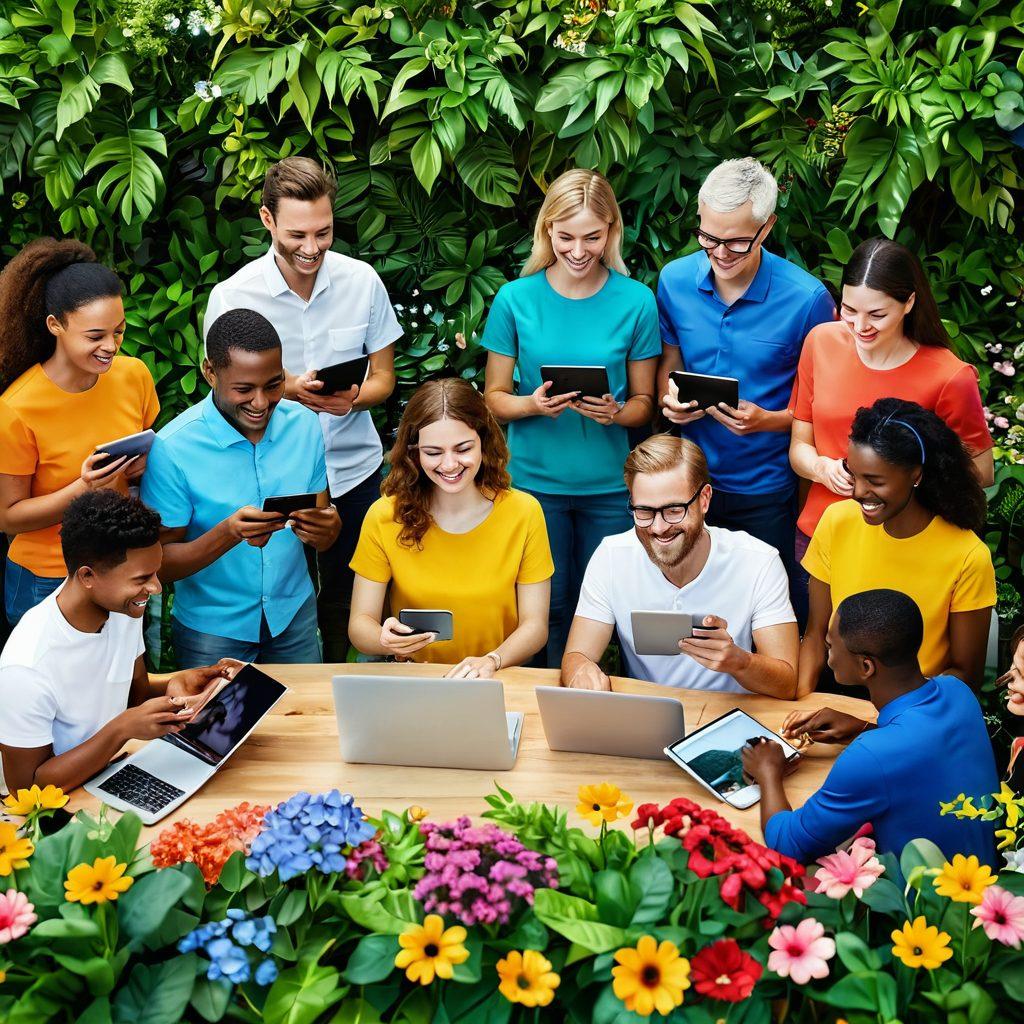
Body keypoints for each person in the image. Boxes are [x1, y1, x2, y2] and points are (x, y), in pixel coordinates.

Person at [203, 157, 401, 662]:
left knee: (354, 598)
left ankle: (345, 700)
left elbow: (385, 378)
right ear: (267, 220)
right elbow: (225, 389)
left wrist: (352, 398)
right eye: (297, 234)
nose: (311, 248)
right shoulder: (232, 295)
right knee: (276, 596)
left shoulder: (362, 281)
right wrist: (287, 388)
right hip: (273, 473)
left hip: (354, 470)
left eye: (324, 232)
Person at [482, 168, 661, 667]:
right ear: (547, 233)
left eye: (592, 237)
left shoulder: (636, 300)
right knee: (548, 607)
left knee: (612, 606)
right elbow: (494, 397)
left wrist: (617, 411)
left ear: (612, 233)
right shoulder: (516, 299)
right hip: (534, 485)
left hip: (609, 486)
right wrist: (532, 404)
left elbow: (645, 404)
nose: (578, 250)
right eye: (565, 237)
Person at [656, 158, 835, 615]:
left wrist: (768, 421)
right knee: (686, 608)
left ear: (768, 226)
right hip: (689, 483)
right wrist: (669, 399)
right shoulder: (674, 281)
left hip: (765, 488)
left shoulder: (808, 298)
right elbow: (670, 362)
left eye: (736, 242)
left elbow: (828, 407)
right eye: (709, 238)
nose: (720, 253)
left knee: (764, 611)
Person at [0, 491, 237, 794]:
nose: (155, 588)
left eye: (156, 572)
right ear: (88, 576)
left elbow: (134, 693)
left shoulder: (123, 609)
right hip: (64, 807)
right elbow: (26, 789)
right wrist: (121, 729)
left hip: (116, 773)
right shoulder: (26, 666)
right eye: (141, 579)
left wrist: (178, 682)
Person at [141, 308, 340, 667]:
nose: (261, 403)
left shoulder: (306, 426)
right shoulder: (172, 449)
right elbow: (157, 564)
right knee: (219, 725)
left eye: (274, 384)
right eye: (244, 389)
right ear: (209, 372)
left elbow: (321, 523)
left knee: (305, 721)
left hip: (293, 615)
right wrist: (228, 533)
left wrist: (329, 529)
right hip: (212, 632)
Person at [742, 589, 998, 864]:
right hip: (984, 870)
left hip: (925, 902)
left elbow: (789, 846)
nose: (828, 656)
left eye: (830, 647)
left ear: (866, 666)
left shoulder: (871, 756)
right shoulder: (958, 691)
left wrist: (768, 772)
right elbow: (925, 754)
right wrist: (863, 728)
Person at [789, 237, 993, 555]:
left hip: (907, 544)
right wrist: (823, 469)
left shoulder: (950, 376)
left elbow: (981, 470)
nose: (860, 326)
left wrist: (900, 482)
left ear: (908, 303)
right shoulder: (820, 342)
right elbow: (800, 445)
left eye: (877, 314)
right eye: (849, 310)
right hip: (823, 536)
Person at [562, 434, 799, 696]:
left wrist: (740, 662)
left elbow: (787, 682)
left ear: (704, 499)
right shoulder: (611, 556)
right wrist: (581, 671)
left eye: (674, 510)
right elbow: (577, 655)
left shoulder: (758, 561)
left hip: (728, 715)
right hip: (647, 716)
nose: (659, 527)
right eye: (644, 511)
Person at [0, 238, 160, 626]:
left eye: (118, 331)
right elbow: (8, 517)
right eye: (95, 336)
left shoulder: (133, 375)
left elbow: (146, 447)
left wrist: (139, 465)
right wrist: (83, 488)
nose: (111, 346)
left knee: (121, 683)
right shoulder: (17, 408)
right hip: (47, 578)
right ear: (55, 325)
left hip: (120, 568)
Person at [349, 378, 553, 677]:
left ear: (484, 441)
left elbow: (535, 627)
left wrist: (492, 661)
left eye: (462, 449)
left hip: (498, 677)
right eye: (433, 452)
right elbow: (359, 625)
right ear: (413, 452)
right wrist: (385, 639)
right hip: (416, 679)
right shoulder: (384, 515)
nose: (448, 465)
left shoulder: (524, 512)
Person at [799, 398, 995, 695]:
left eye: (875, 481)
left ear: (915, 475)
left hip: (916, 707)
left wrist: (875, 721)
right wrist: (799, 705)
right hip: (835, 693)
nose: (858, 492)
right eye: (854, 475)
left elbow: (965, 675)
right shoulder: (836, 520)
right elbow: (814, 636)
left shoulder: (968, 556)